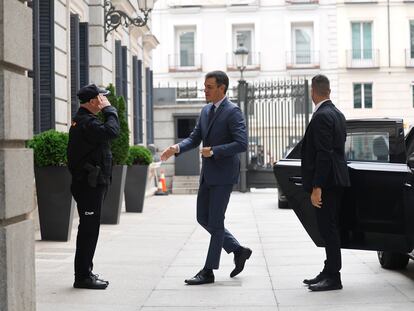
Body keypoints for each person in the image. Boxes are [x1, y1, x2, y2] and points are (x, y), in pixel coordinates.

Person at [161, 71, 252, 285]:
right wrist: (176, 148)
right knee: (203, 218)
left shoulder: (233, 112)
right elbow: (195, 138)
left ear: (222, 88)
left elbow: (242, 143)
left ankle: (208, 270)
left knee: (216, 222)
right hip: (208, 175)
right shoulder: (205, 111)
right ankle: (238, 250)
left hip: (223, 175)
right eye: (205, 86)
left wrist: (215, 151)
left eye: (209, 87)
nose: (205, 90)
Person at [67, 84, 120, 289]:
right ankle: (82, 277)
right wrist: (110, 110)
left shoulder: (86, 121)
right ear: (92, 102)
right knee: (88, 230)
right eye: (102, 98)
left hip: (91, 184)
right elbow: (112, 131)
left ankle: (85, 272)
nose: (105, 100)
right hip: (88, 185)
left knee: (90, 229)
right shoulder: (85, 122)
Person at [301, 74, 350, 292]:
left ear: (313, 92)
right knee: (330, 227)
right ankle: (329, 270)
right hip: (338, 178)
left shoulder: (321, 116)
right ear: (328, 91)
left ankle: (333, 277)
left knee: (328, 229)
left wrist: (317, 186)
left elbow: (323, 153)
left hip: (327, 182)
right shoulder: (337, 113)